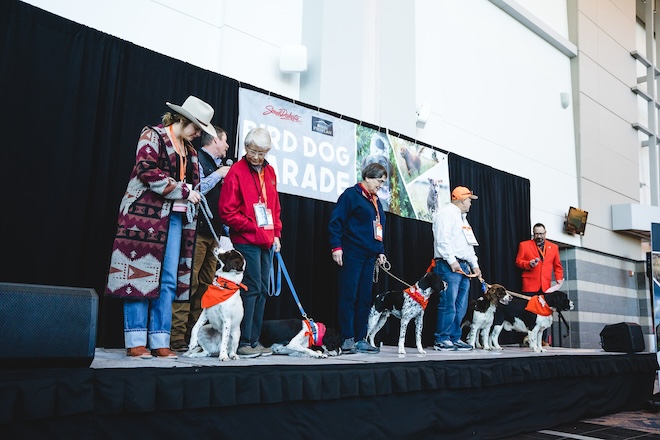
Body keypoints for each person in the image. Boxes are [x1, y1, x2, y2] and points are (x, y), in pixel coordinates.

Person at [105, 95, 216, 359]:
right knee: (138, 272)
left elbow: (193, 186)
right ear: (182, 119)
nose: (198, 133)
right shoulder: (152, 136)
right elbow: (146, 170)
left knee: (168, 278)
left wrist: (189, 193)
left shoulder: (189, 151)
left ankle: (160, 340)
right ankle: (135, 340)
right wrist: (183, 190)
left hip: (175, 219)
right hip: (144, 218)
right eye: (196, 127)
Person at [218, 127, 282, 358]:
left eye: (261, 153)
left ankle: (254, 340)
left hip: (266, 240)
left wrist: (276, 234)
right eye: (252, 151)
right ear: (245, 148)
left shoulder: (271, 172)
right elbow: (226, 212)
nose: (255, 156)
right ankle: (243, 341)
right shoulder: (236, 171)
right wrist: (252, 226)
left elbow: (274, 207)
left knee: (263, 290)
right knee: (252, 289)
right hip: (246, 240)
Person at [170, 125, 232, 351]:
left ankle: (193, 336)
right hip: (195, 232)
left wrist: (225, 234)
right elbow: (195, 190)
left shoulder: (218, 166)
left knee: (206, 286)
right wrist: (218, 175)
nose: (227, 146)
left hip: (213, 236)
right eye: (225, 141)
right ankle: (176, 336)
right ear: (215, 140)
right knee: (188, 282)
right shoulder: (196, 159)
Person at [329, 163, 389, 354]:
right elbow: (336, 222)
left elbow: (378, 229)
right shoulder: (351, 195)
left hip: (369, 256)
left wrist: (380, 250)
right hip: (352, 252)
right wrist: (336, 247)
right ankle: (347, 337)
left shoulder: (376, 201)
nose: (381, 185)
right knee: (349, 295)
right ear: (368, 177)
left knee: (364, 298)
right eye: (379, 181)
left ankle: (360, 338)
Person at [431, 185, 482, 351]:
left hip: (464, 266)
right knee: (448, 303)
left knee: (461, 305)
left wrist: (474, 265)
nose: (470, 204)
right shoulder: (445, 213)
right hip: (448, 265)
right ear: (461, 199)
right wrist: (452, 261)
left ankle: (454, 337)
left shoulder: (463, 218)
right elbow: (442, 239)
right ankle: (442, 339)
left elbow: (469, 245)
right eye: (469, 200)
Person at [515, 222, 564, 345]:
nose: (539, 236)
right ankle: (527, 339)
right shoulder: (524, 245)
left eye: (541, 234)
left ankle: (541, 340)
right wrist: (528, 264)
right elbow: (518, 262)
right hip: (530, 284)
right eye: (536, 234)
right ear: (533, 233)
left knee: (545, 313)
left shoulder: (554, 247)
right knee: (529, 312)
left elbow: (557, 266)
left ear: (545, 233)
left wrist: (559, 278)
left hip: (545, 287)